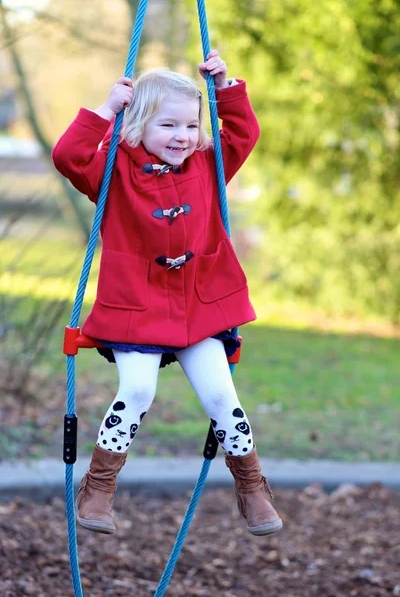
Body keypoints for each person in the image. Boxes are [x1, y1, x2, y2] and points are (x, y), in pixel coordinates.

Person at [52, 50, 283, 537]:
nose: (182, 137)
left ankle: (252, 487)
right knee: (137, 390)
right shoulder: (113, 171)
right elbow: (68, 157)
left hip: (200, 305)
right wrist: (103, 111)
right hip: (137, 307)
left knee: (223, 395)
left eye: (190, 125)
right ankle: (98, 487)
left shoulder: (206, 163)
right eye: (168, 126)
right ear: (138, 125)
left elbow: (244, 134)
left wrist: (226, 89)